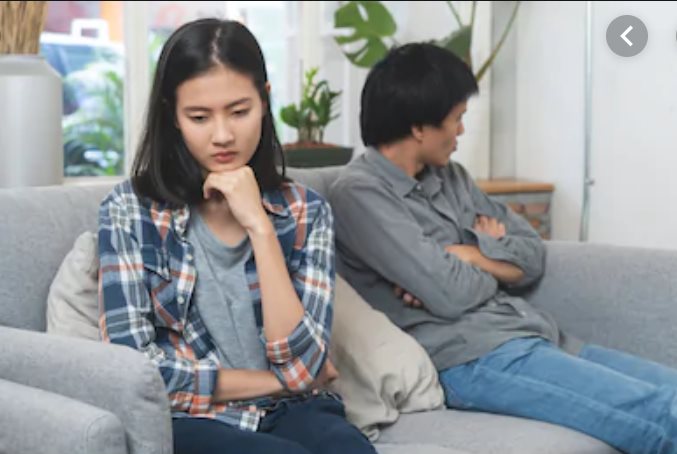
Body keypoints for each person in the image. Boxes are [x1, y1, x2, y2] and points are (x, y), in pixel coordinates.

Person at [328, 42, 677, 454]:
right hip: (474, 358)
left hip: (531, 332)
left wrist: (471, 255)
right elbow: (450, 293)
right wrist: (489, 260)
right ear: (419, 127)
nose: (461, 131)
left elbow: (531, 253)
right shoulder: (359, 193)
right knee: (663, 414)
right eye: (457, 119)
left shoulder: (451, 177)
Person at [98, 18, 376, 454]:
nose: (223, 135)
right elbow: (136, 374)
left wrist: (259, 226)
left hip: (295, 410)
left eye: (239, 111)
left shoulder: (307, 212)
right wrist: (276, 381)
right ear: (172, 115)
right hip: (193, 419)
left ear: (264, 101)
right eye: (199, 117)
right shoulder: (129, 212)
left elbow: (304, 366)